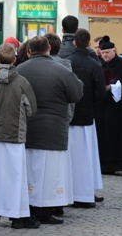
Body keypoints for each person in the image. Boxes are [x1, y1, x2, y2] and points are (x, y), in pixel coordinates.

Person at [16, 36, 83, 224]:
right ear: (49, 49)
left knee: (29, 171)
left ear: (29, 51)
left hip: (27, 128)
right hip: (54, 129)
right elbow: (76, 93)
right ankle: (45, 210)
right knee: (51, 172)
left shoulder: (19, 71)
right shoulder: (61, 71)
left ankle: (28, 207)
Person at [0, 43, 39, 229]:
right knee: (15, 178)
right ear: (14, 59)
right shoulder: (22, 82)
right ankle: (16, 216)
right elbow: (32, 109)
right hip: (14, 135)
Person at [67, 29, 107, 208]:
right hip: (87, 115)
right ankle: (85, 191)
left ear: (75, 42)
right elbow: (100, 93)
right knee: (87, 157)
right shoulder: (94, 64)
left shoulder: (67, 62)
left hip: (70, 115)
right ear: (89, 44)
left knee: (70, 158)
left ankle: (69, 191)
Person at [94, 35, 122, 174]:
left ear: (114, 52)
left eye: (107, 53)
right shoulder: (98, 63)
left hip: (118, 108)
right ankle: (103, 162)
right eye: (103, 53)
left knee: (116, 134)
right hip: (102, 106)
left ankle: (117, 163)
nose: (105, 55)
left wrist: (112, 87)